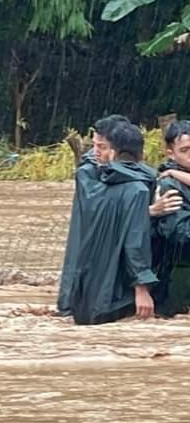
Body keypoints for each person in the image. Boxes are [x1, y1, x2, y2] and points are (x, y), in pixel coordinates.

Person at [57, 118, 158, 324]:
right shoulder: (137, 189)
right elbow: (134, 242)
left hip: (85, 289)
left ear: (113, 152)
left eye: (101, 147)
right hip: (116, 293)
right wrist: (142, 288)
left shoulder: (93, 181)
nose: (95, 152)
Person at [149, 120, 190, 317]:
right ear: (171, 153)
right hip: (177, 281)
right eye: (185, 150)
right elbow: (181, 235)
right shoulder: (169, 186)